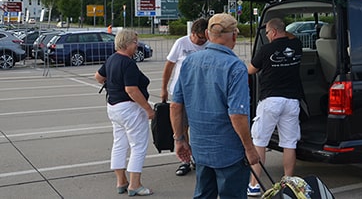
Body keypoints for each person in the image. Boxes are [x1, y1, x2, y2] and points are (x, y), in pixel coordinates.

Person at [170, 13, 260, 198]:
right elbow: (237, 114)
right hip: (230, 151)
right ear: (234, 35)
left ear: (207, 34)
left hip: (200, 148)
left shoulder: (189, 62)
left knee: (203, 194)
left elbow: (175, 105)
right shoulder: (235, 67)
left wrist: (179, 139)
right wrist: (250, 148)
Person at [94, 29, 155, 196]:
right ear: (127, 43)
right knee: (138, 146)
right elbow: (132, 90)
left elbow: (98, 77)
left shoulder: (112, 59)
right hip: (129, 108)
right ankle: (135, 184)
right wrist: (148, 109)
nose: (136, 46)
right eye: (135, 42)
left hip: (113, 107)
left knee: (119, 143)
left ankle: (121, 181)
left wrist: (112, 83)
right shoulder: (128, 63)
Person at [247, 18, 303, 197]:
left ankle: (254, 185)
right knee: (289, 143)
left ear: (273, 32)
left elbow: (251, 70)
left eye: (268, 32)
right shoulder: (297, 45)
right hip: (292, 101)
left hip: (270, 101)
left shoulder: (266, 50)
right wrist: (283, 31)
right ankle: (288, 182)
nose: (267, 36)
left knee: (260, 141)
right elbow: (290, 36)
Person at [161, 18, 208, 176]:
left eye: (204, 38)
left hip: (201, 92)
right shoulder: (181, 43)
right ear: (192, 33)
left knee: (200, 127)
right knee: (182, 127)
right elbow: (169, 66)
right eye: (199, 37)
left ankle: (198, 158)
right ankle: (185, 160)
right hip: (181, 91)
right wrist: (164, 88)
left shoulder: (209, 45)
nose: (201, 41)